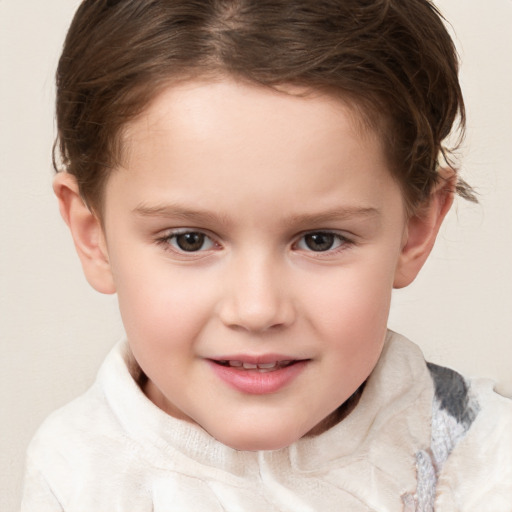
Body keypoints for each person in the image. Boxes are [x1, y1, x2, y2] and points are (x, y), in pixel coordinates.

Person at [21, 0, 512, 510]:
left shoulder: (481, 456)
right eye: (189, 239)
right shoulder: (76, 474)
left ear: (415, 228)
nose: (257, 309)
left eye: (320, 239)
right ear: (92, 233)